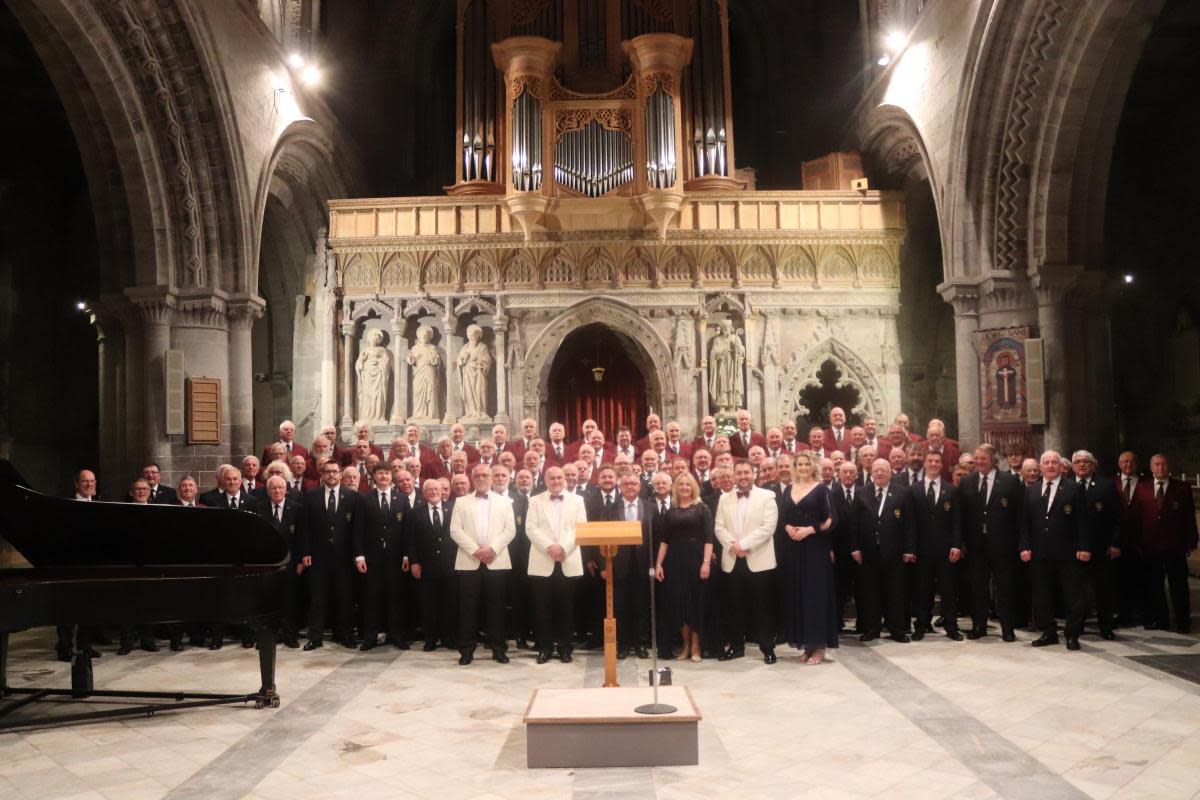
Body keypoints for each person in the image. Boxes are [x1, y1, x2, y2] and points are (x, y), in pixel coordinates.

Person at [1020, 450, 1089, 650]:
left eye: (1054, 463)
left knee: (1072, 595)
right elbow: (1024, 523)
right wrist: (1024, 546)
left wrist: (1084, 547)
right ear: (1041, 467)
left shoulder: (1074, 489)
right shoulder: (1031, 490)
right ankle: (1048, 632)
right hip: (1039, 553)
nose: (1050, 466)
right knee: (1042, 595)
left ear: (1061, 467)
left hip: (1068, 553)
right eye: (1047, 463)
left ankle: (1072, 635)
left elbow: (1083, 521)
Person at [450, 464, 516, 664]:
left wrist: (491, 549)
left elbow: (510, 530)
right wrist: (476, 550)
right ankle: (467, 651)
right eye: (477, 475)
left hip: (496, 560)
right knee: (468, 608)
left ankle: (498, 648)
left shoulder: (505, 502)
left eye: (485, 475)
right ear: (472, 479)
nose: (481, 478)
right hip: (469, 561)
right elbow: (455, 530)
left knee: (496, 607)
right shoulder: (461, 502)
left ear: (492, 478)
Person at [714, 460, 778, 663]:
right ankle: (736, 646)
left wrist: (743, 545)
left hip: (758, 558)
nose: (742, 476)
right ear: (734, 475)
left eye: (746, 472)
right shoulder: (724, 499)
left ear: (754, 473)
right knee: (734, 606)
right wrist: (733, 545)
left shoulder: (767, 496)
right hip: (733, 559)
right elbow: (718, 527)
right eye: (739, 473)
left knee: (763, 607)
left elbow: (768, 528)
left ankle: (767, 648)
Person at [959, 444, 1023, 641]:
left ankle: (1007, 628)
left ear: (993, 459)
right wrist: (961, 542)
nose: (978, 462)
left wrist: (1019, 543)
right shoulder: (967, 482)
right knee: (978, 587)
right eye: (976, 459)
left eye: (983, 459)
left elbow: (1019, 516)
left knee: (1004, 587)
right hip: (976, 545)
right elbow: (961, 516)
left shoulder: (1010, 481)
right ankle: (979, 626)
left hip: (1003, 545)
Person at [779, 452, 837, 664]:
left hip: (815, 548)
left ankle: (819, 646)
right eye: (799, 464)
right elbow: (783, 517)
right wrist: (788, 529)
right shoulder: (788, 489)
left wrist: (810, 530)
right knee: (800, 596)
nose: (803, 467)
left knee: (815, 596)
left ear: (813, 466)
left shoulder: (822, 490)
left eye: (806, 464)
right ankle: (807, 645)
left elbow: (832, 519)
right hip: (794, 549)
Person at [1130, 453, 1197, 633]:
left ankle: (1183, 622)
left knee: (1179, 586)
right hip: (1150, 546)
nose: (1160, 468)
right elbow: (1136, 517)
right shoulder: (1142, 487)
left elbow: (1189, 517)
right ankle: (1161, 620)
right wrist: (1137, 542)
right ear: (1151, 467)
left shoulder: (1181, 488)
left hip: (1175, 546)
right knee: (1154, 585)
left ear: (1169, 467)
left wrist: (1191, 542)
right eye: (1157, 465)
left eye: (1164, 465)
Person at [850, 459, 915, 643]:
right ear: (871, 473)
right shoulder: (862, 492)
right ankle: (872, 629)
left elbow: (910, 524)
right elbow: (854, 523)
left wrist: (909, 549)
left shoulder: (903, 493)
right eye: (876, 470)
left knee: (895, 593)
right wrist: (854, 547)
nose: (880, 473)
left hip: (895, 553)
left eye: (883, 470)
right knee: (871, 593)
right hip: (868, 552)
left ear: (890, 473)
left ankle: (896, 630)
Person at [526, 466, 586, 663]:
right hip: (543, 559)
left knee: (566, 608)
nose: (557, 480)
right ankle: (545, 648)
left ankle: (565, 648)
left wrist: (563, 548)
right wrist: (550, 547)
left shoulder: (578, 500)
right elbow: (531, 528)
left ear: (566, 479)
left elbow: (580, 528)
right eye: (552, 477)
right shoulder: (535, 501)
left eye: (560, 477)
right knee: (542, 608)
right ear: (545, 479)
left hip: (567, 559)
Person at [301, 459, 361, 650]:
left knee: (345, 597)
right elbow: (305, 527)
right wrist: (306, 551)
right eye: (328, 472)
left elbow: (357, 529)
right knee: (318, 598)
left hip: (344, 558)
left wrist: (357, 554)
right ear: (322, 474)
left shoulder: (352, 497)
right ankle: (315, 637)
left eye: (335, 472)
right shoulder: (311, 496)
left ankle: (346, 636)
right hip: (319, 557)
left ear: (340, 474)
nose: (331, 475)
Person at [656, 472, 715, 662]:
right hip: (674, 562)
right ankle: (686, 645)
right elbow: (664, 541)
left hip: (696, 560)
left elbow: (709, 538)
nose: (683, 487)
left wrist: (706, 563)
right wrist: (658, 564)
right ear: (676, 488)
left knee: (695, 603)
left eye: (687, 484)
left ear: (693, 487)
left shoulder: (702, 509)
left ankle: (696, 646)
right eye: (680, 484)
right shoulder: (670, 512)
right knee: (679, 604)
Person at [355, 463, 410, 651]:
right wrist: (359, 556)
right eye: (380, 473)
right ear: (374, 476)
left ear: (391, 476)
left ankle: (397, 636)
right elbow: (358, 529)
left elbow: (407, 530)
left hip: (395, 558)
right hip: (372, 558)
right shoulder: (364, 499)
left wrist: (406, 555)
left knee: (396, 598)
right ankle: (370, 636)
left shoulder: (402, 499)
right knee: (372, 598)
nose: (384, 476)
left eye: (387, 473)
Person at [909, 451, 964, 641]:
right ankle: (921, 626)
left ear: (941, 465)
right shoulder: (913, 490)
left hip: (946, 550)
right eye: (930, 461)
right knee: (922, 590)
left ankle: (951, 627)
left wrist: (957, 545)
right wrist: (911, 548)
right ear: (925, 464)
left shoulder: (951, 490)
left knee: (948, 590)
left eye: (937, 461)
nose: (933, 464)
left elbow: (957, 521)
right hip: (922, 551)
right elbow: (911, 523)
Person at [1071, 450, 1122, 640]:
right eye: (1078, 462)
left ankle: (1106, 626)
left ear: (1093, 465)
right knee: (1076, 590)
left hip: (1100, 548)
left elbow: (1118, 517)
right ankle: (1077, 625)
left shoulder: (1106, 485)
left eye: (1086, 462)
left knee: (1103, 590)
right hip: (1073, 549)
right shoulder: (1066, 484)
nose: (1082, 465)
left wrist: (1115, 543)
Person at [408, 479, 456, 651]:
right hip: (426, 567)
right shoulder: (415, 513)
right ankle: (430, 639)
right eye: (430, 489)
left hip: (450, 565)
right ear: (424, 492)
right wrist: (414, 562)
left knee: (449, 603)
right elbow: (411, 541)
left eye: (437, 489)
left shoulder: (453, 509)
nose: (434, 492)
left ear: (443, 491)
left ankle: (448, 637)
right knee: (428, 605)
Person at [613, 472, 653, 659]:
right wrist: (605, 566)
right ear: (620, 487)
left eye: (634, 483)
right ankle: (623, 645)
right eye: (626, 483)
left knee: (641, 606)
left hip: (643, 564)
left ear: (640, 486)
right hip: (619, 565)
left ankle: (640, 643)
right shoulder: (611, 508)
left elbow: (658, 537)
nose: (630, 486)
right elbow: (603, 537)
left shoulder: (650, 507)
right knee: (621, 607)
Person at [264, 475, 305, 648]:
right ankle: (269, 637)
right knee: (269, 602)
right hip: (268, 565)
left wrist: (301, 560)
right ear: (268, 491)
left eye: (280, 487)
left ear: (286, 490)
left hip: (291, 564)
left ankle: (290, 635)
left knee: (290, 601)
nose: (277, 491)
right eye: (274, 488)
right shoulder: (260, 508)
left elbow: (302, 537)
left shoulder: (296, 509)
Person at [830, 461, 860, 632]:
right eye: (845, 472)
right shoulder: (831, 494)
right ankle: (837, 622)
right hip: (839, 550)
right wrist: (830, 548)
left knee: (862, 588)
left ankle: (863, 622)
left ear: (856, 475)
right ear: (839, 475)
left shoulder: (865, 492)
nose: (848, 475)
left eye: (851, 472)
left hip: (860, 550)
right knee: (838, 589)